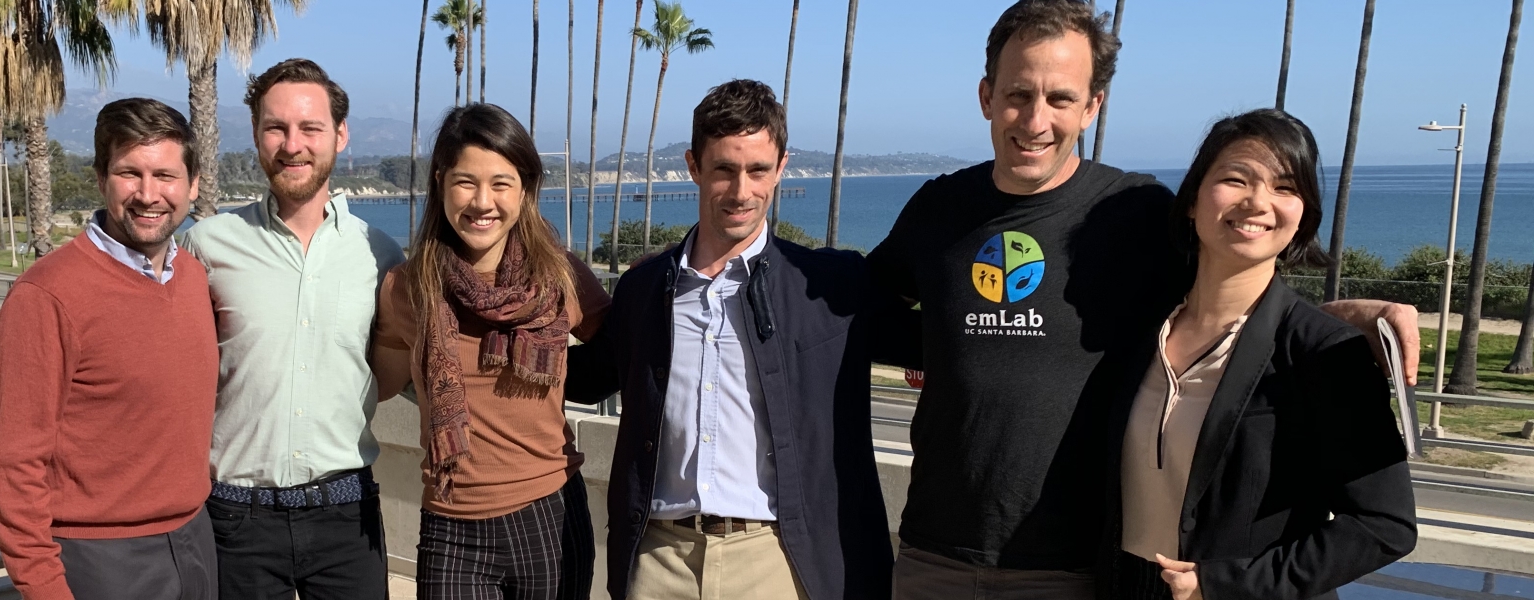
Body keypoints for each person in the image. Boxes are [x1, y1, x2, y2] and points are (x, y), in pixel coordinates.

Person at [866, 2, 1418, 597]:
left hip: (1075, 569)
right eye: (1017, 94)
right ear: (985, 96)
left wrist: (1350, 316)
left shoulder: (1135, 214)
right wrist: (942, 347)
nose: (1035, 119)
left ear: (1091, 106)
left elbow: (1242, 293)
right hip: (930, 555)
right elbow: (865, 309)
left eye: (1060, 99)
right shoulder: (936, 209)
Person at [569, 79, 893, 600]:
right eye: (723, 169)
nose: (742, 191)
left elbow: (944, 339)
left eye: (758, 170)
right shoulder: (644, 290)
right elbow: (589, 376)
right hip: (658, 560)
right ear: (693, 166)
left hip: (776, 561)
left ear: (781, 167)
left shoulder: (831, 286)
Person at [1104, 109, 1416, 600]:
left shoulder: (1324, 352)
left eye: (1285, 187)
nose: (1257, 202)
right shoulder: (1133, 332)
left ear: (1304, 215)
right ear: (1192, 201)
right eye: (1235, 179)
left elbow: (1385, 525)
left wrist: (1224, 584)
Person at [180, 58, 404, 600]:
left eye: (310, 128)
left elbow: (386, 375)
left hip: (347, 518)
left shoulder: (380, 254)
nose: (292, 144)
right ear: (257, 134)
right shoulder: (206, 246)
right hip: (235, 521)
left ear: (340, 135)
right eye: (275, 127)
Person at [369, 102, 611, 600]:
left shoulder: (560, 276)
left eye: (501, 183)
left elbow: (621, 350)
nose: (483, 202)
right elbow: (382, 380)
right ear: (440, 182)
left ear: (525, 189)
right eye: (465, 181)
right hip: (451, 523)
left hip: (551, 513)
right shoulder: (406, 288)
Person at [0, 97, 218, 600]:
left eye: (166, 175)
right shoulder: (46, 296)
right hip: (99, 559)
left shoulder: (196, 279)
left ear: (193, 185)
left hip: (197, 539)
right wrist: (45, 588)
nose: (149, 194)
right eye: (129, 173)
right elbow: (12, 466)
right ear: (100, 178)